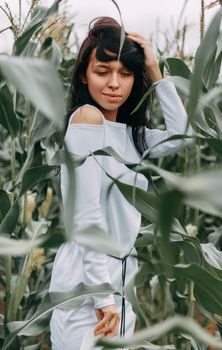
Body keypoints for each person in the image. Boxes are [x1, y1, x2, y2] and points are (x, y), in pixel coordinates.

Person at [49, 16, 193, 350]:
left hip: (118, 284)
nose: (114, 83)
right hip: (89, 290)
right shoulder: (88, 120)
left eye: (125, 74)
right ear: (84, 75)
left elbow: (184, 137)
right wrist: (104, 300)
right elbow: (86, 219)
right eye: (102, 71)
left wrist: (155, 69)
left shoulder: (130, 136)